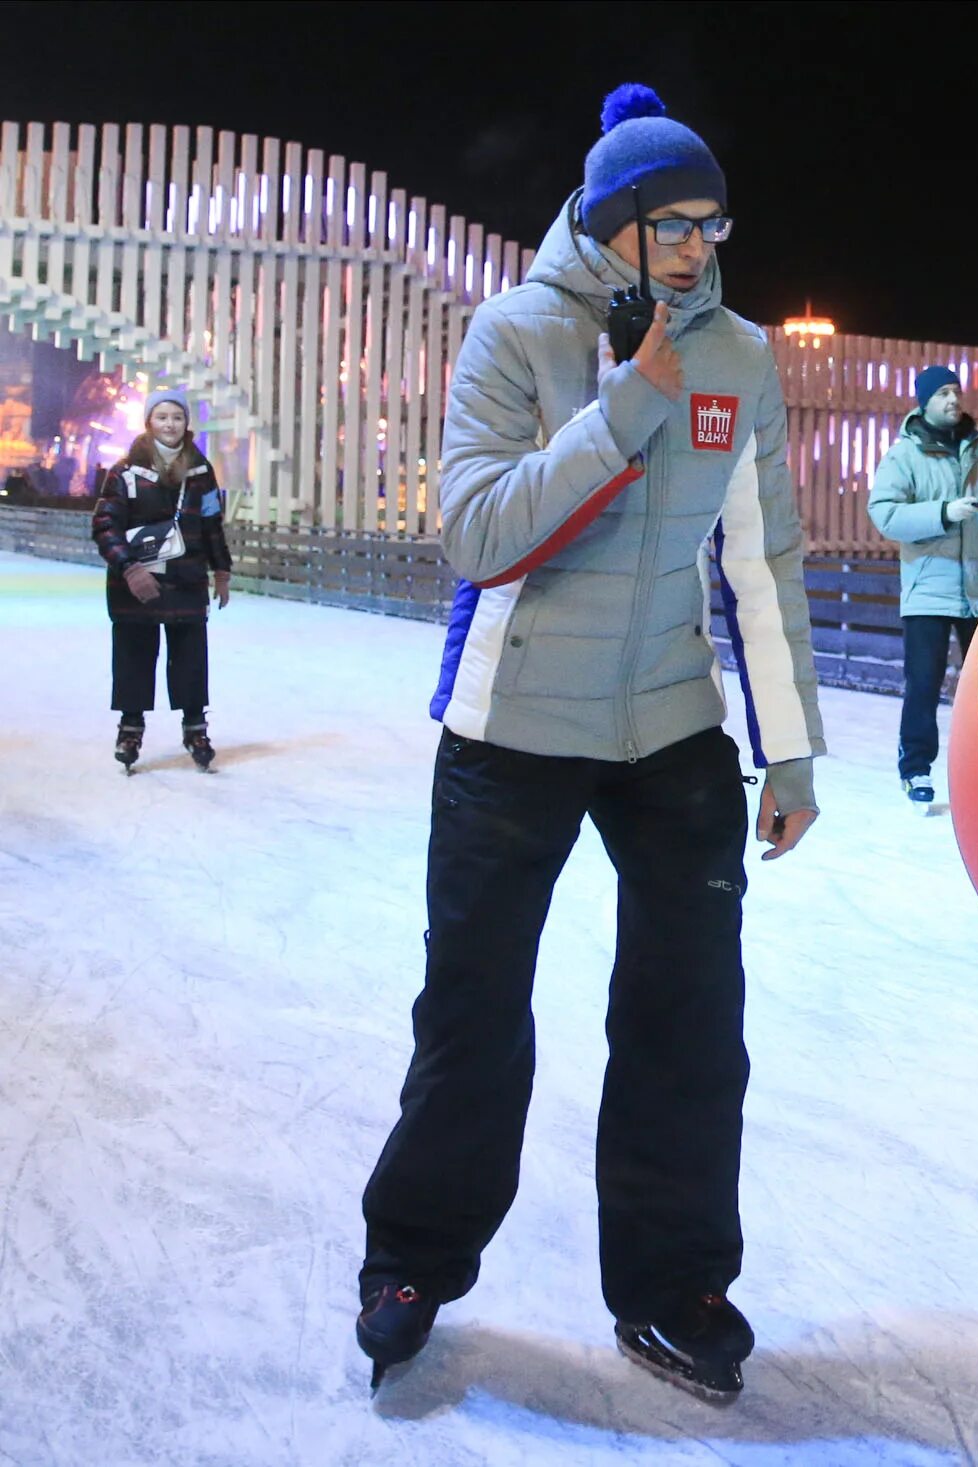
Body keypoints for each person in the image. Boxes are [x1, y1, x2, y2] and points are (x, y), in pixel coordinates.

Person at [355, 84, 826, 1403]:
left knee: (690, 1014)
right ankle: (413, 1256)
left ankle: (677, 1283)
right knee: (475, 1007)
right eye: (670, 224)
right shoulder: (514, 335)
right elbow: (477, 533)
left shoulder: (737, 354)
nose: (695, 248)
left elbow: (762, 554)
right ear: (608, 222)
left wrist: (785, 751)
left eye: (712, 222)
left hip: (670, 720)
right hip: (514, 726)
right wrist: (621, 406)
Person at [867, 365, 978, 807]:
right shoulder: (904, 455)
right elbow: (885, 513)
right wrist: (945, 512)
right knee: (924, 685)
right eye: (943, 394)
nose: (953, 400)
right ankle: (915, 769)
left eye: (956, 392)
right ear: (924, 402)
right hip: (929, 590)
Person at [88, 390, 231, 772]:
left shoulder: (201, 472)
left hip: (186, 579)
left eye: (177, 417)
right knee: (134, 654)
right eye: (162, 417)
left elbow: (212, 525)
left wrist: (222, 571)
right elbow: (105, 526)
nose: (170, 424)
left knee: (190, 656)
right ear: (149, 422)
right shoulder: (125, 472)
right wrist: (130, 569)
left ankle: (195, 727)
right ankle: (130, 727)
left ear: (187, 424)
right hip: (137, 584)